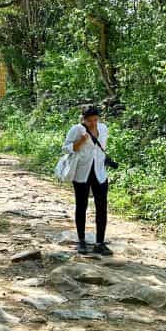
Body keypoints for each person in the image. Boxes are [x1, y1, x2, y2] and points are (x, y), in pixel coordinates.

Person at [62, 105, 112, 256]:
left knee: (102, 207)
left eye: (95, 120)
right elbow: (65, 148)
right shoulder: (76, 130)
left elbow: (101, 148)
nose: (93, 123)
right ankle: (82, 241)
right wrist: (81, 141)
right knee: (81, 206)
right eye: (89, 121)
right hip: (81, 172)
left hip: (99, 172)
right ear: (83, 119)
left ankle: (100, 243)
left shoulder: (103, 128)